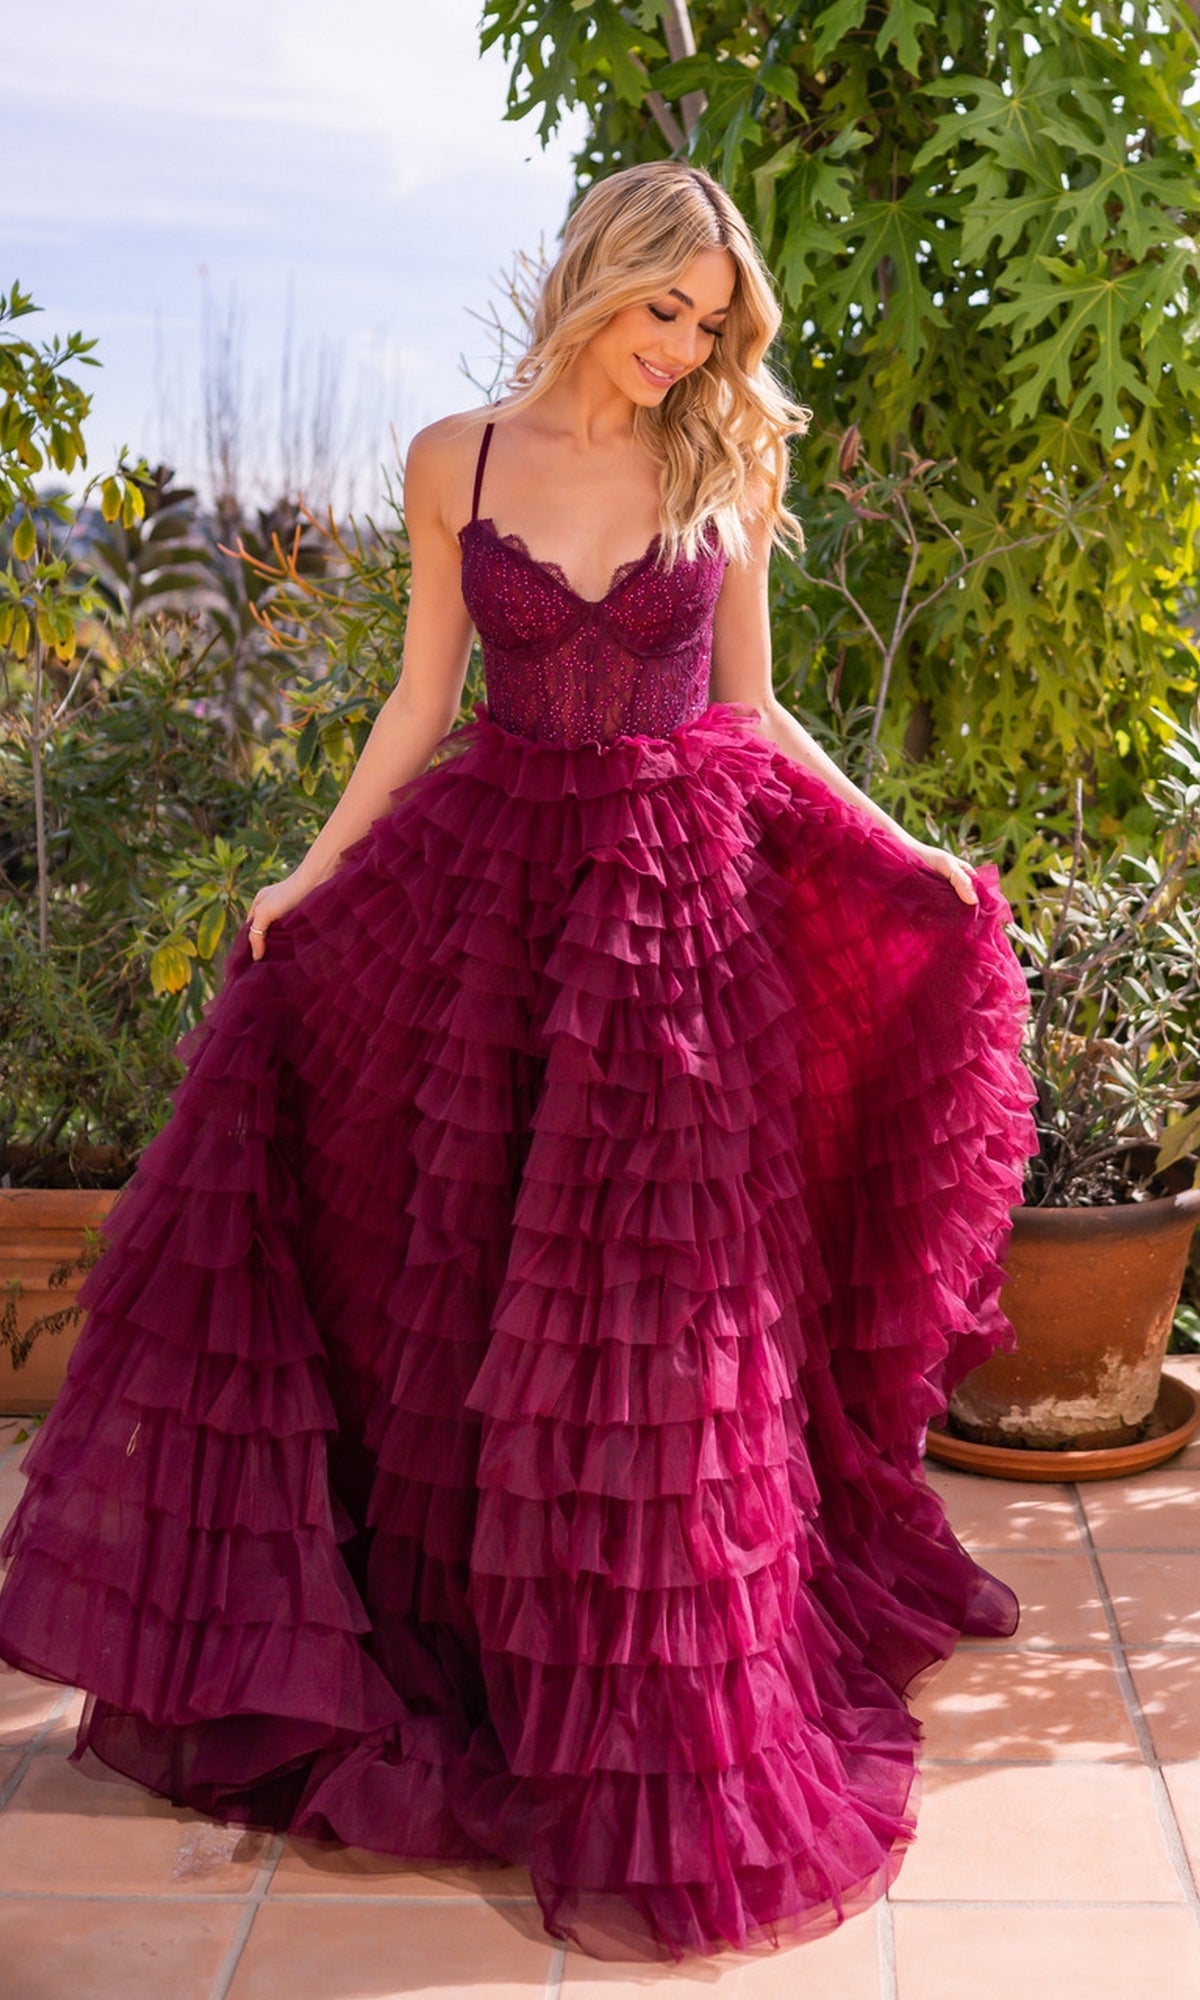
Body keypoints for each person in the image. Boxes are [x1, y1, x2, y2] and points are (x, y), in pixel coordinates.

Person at [0, 160, 1036, 1963]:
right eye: (664, 309)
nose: (683, 348)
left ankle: (661, 1683)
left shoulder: (727, 462)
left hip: (675, 924)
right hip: (485, 908)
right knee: (469, 1290)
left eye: (710, 323)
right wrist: (307, 875)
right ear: (594, 280)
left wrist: (902, 848)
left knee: (657, 1314)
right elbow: (420, 700)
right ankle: (492, 1655)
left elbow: (754, 709)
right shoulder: (454, 462)